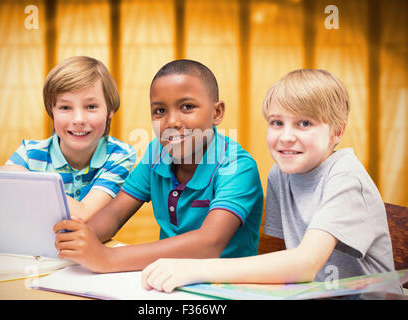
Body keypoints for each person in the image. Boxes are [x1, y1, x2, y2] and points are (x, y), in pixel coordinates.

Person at [141, 69, 400, 294]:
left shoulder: (345, 176)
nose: (286, 137)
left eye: (304, 123)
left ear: (337, 132)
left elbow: (303, 264)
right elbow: (281, 256)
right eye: (277, 122)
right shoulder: (280, 173)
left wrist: (193, 268)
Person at [53, 59, 264, 273]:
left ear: (217, 112)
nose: (172, 121)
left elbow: (208, 244)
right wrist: (82, 240)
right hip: (165, 281)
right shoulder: (157, 152)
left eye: (187, 107)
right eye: (160, 110)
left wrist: (108, 258)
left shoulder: (237, 166)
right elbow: (115, 213)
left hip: (223, 288)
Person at [0, 56, 136, 248]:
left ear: (110, 110)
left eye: (91, 106)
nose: (78, 119)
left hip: (89, 259)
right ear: (52, 111)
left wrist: (24, 178)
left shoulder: (120, 155)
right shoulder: (29, 152)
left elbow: (84, 215)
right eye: (65, 107)